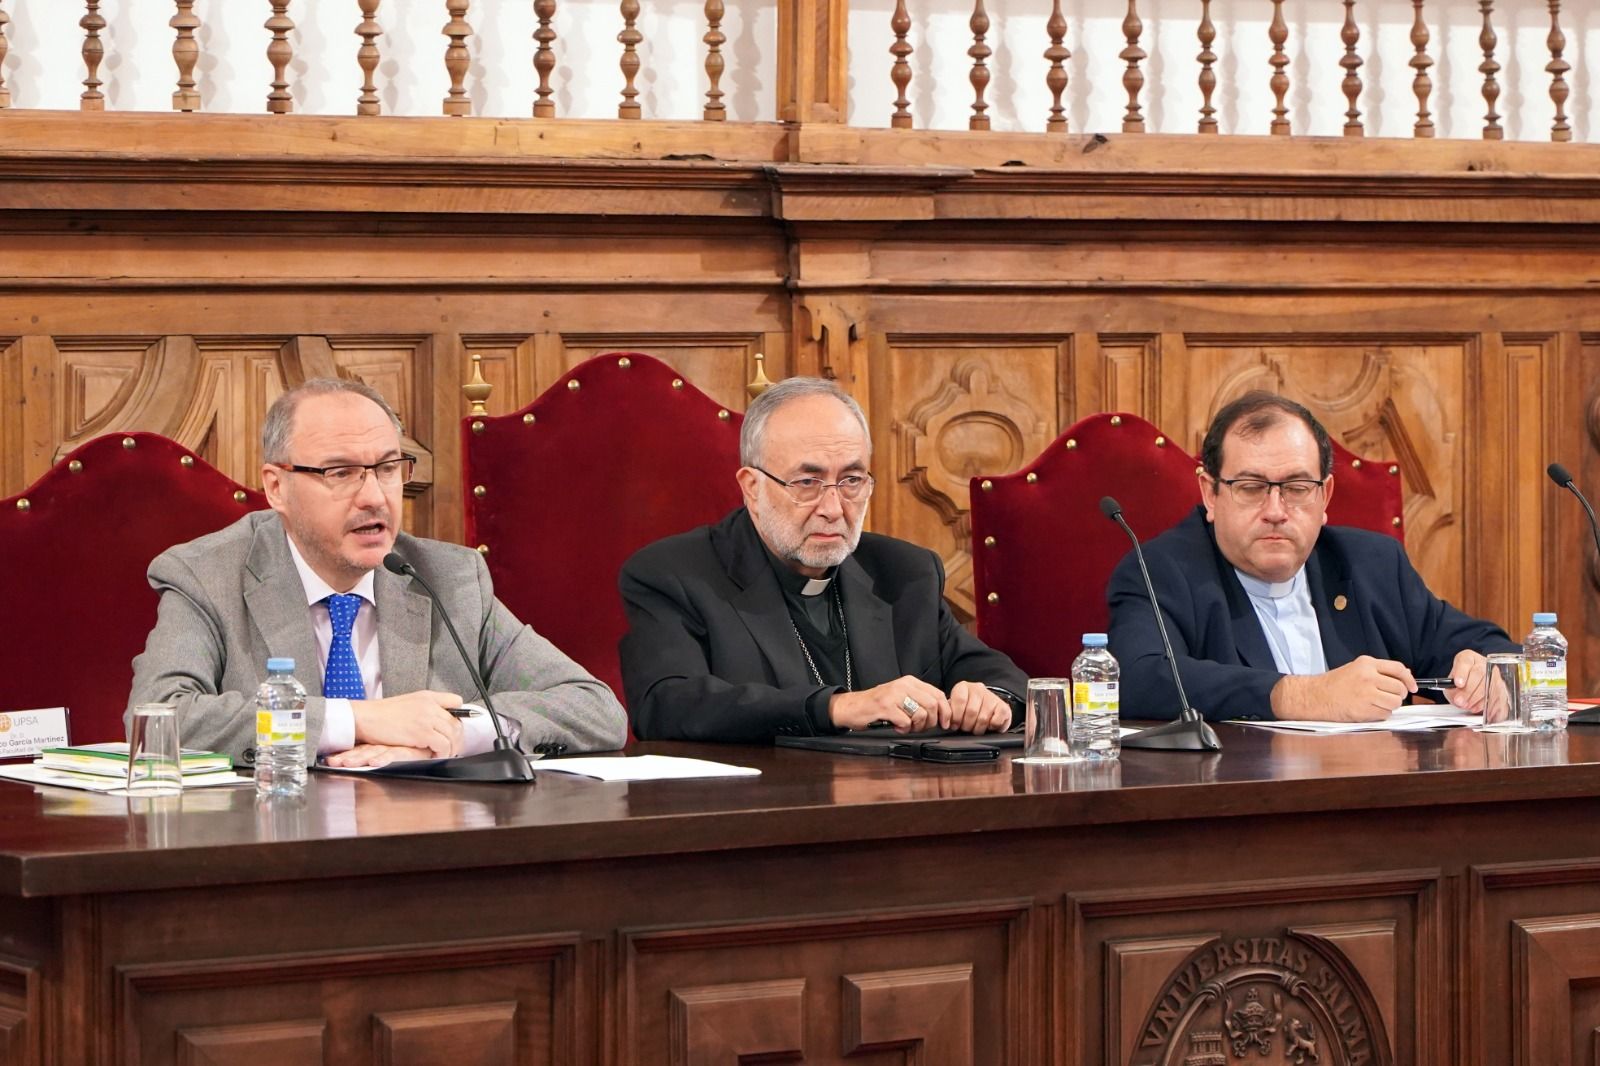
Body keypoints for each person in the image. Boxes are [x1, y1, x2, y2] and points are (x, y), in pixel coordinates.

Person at [127, 377, 627, 767]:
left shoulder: (449, 578)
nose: (373, 497)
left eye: (388, 468)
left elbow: (594, 707)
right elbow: (157, 719)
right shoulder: (206, 575)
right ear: (277, 487)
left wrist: (456, 732)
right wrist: (358, 720)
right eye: (340, 473)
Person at [618, 376, 1027, 743]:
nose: (833, 508)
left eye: (851, 481)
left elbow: (1004, 679)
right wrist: (837, 707)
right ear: (752, 487)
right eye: (807, 482)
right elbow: (666, 704)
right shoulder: (674, 574)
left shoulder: (903, 573)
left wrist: (991, 701)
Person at [1107, 391, 1517, 723]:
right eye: (1250, 487)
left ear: (1325, 496)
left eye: (1297, 488)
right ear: (1210, 494)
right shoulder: (1160, 572)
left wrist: (1487, 674)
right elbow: (1135, 679)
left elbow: (1497, 650)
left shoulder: (1371, 564)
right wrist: (1304, 695)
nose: (1275, 511)